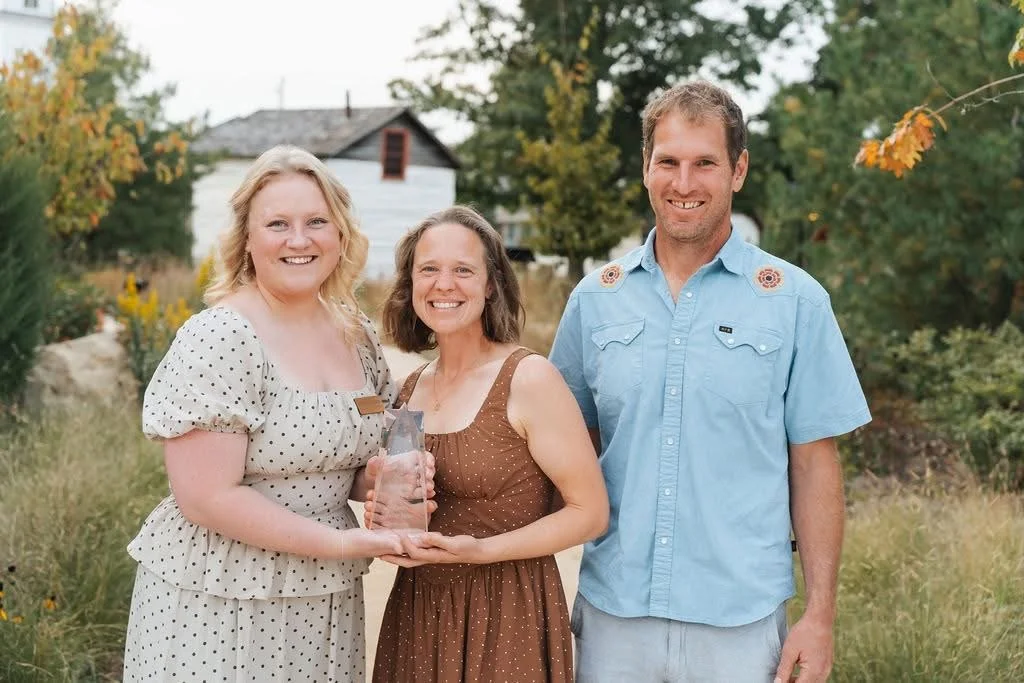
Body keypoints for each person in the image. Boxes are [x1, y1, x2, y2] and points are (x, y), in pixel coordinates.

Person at [548, 80, 871, 683]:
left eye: (705, 163)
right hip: (614, 618)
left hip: (742, 627)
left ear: (738, 170)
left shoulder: (796, 301)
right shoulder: (595, 300)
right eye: (667, 162)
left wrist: (820, 615)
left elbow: (815, 464)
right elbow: (555, 452)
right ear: (646, 169)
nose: (684, 183)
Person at [123, 144, 428, 681]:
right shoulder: (221, 338)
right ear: (246, 239)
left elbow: (352, 455)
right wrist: (341, 542)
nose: (299, 240)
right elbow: (207, 497)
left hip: (324, 600)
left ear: (340, 233)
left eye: (316, 221)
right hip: (221, 598)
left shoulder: (355, 334)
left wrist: (379, 480)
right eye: (277, 224)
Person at [369, 205, 609, 683]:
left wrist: (481, 551)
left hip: (506, 614)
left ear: (491, 283)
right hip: (417, 612)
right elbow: (401, 506)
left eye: (463, 270)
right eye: (429, 270)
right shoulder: (409, 388)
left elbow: (591, 512)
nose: (444, 284)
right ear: (410, 283)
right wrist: (385, 521)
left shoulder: (528, 378)